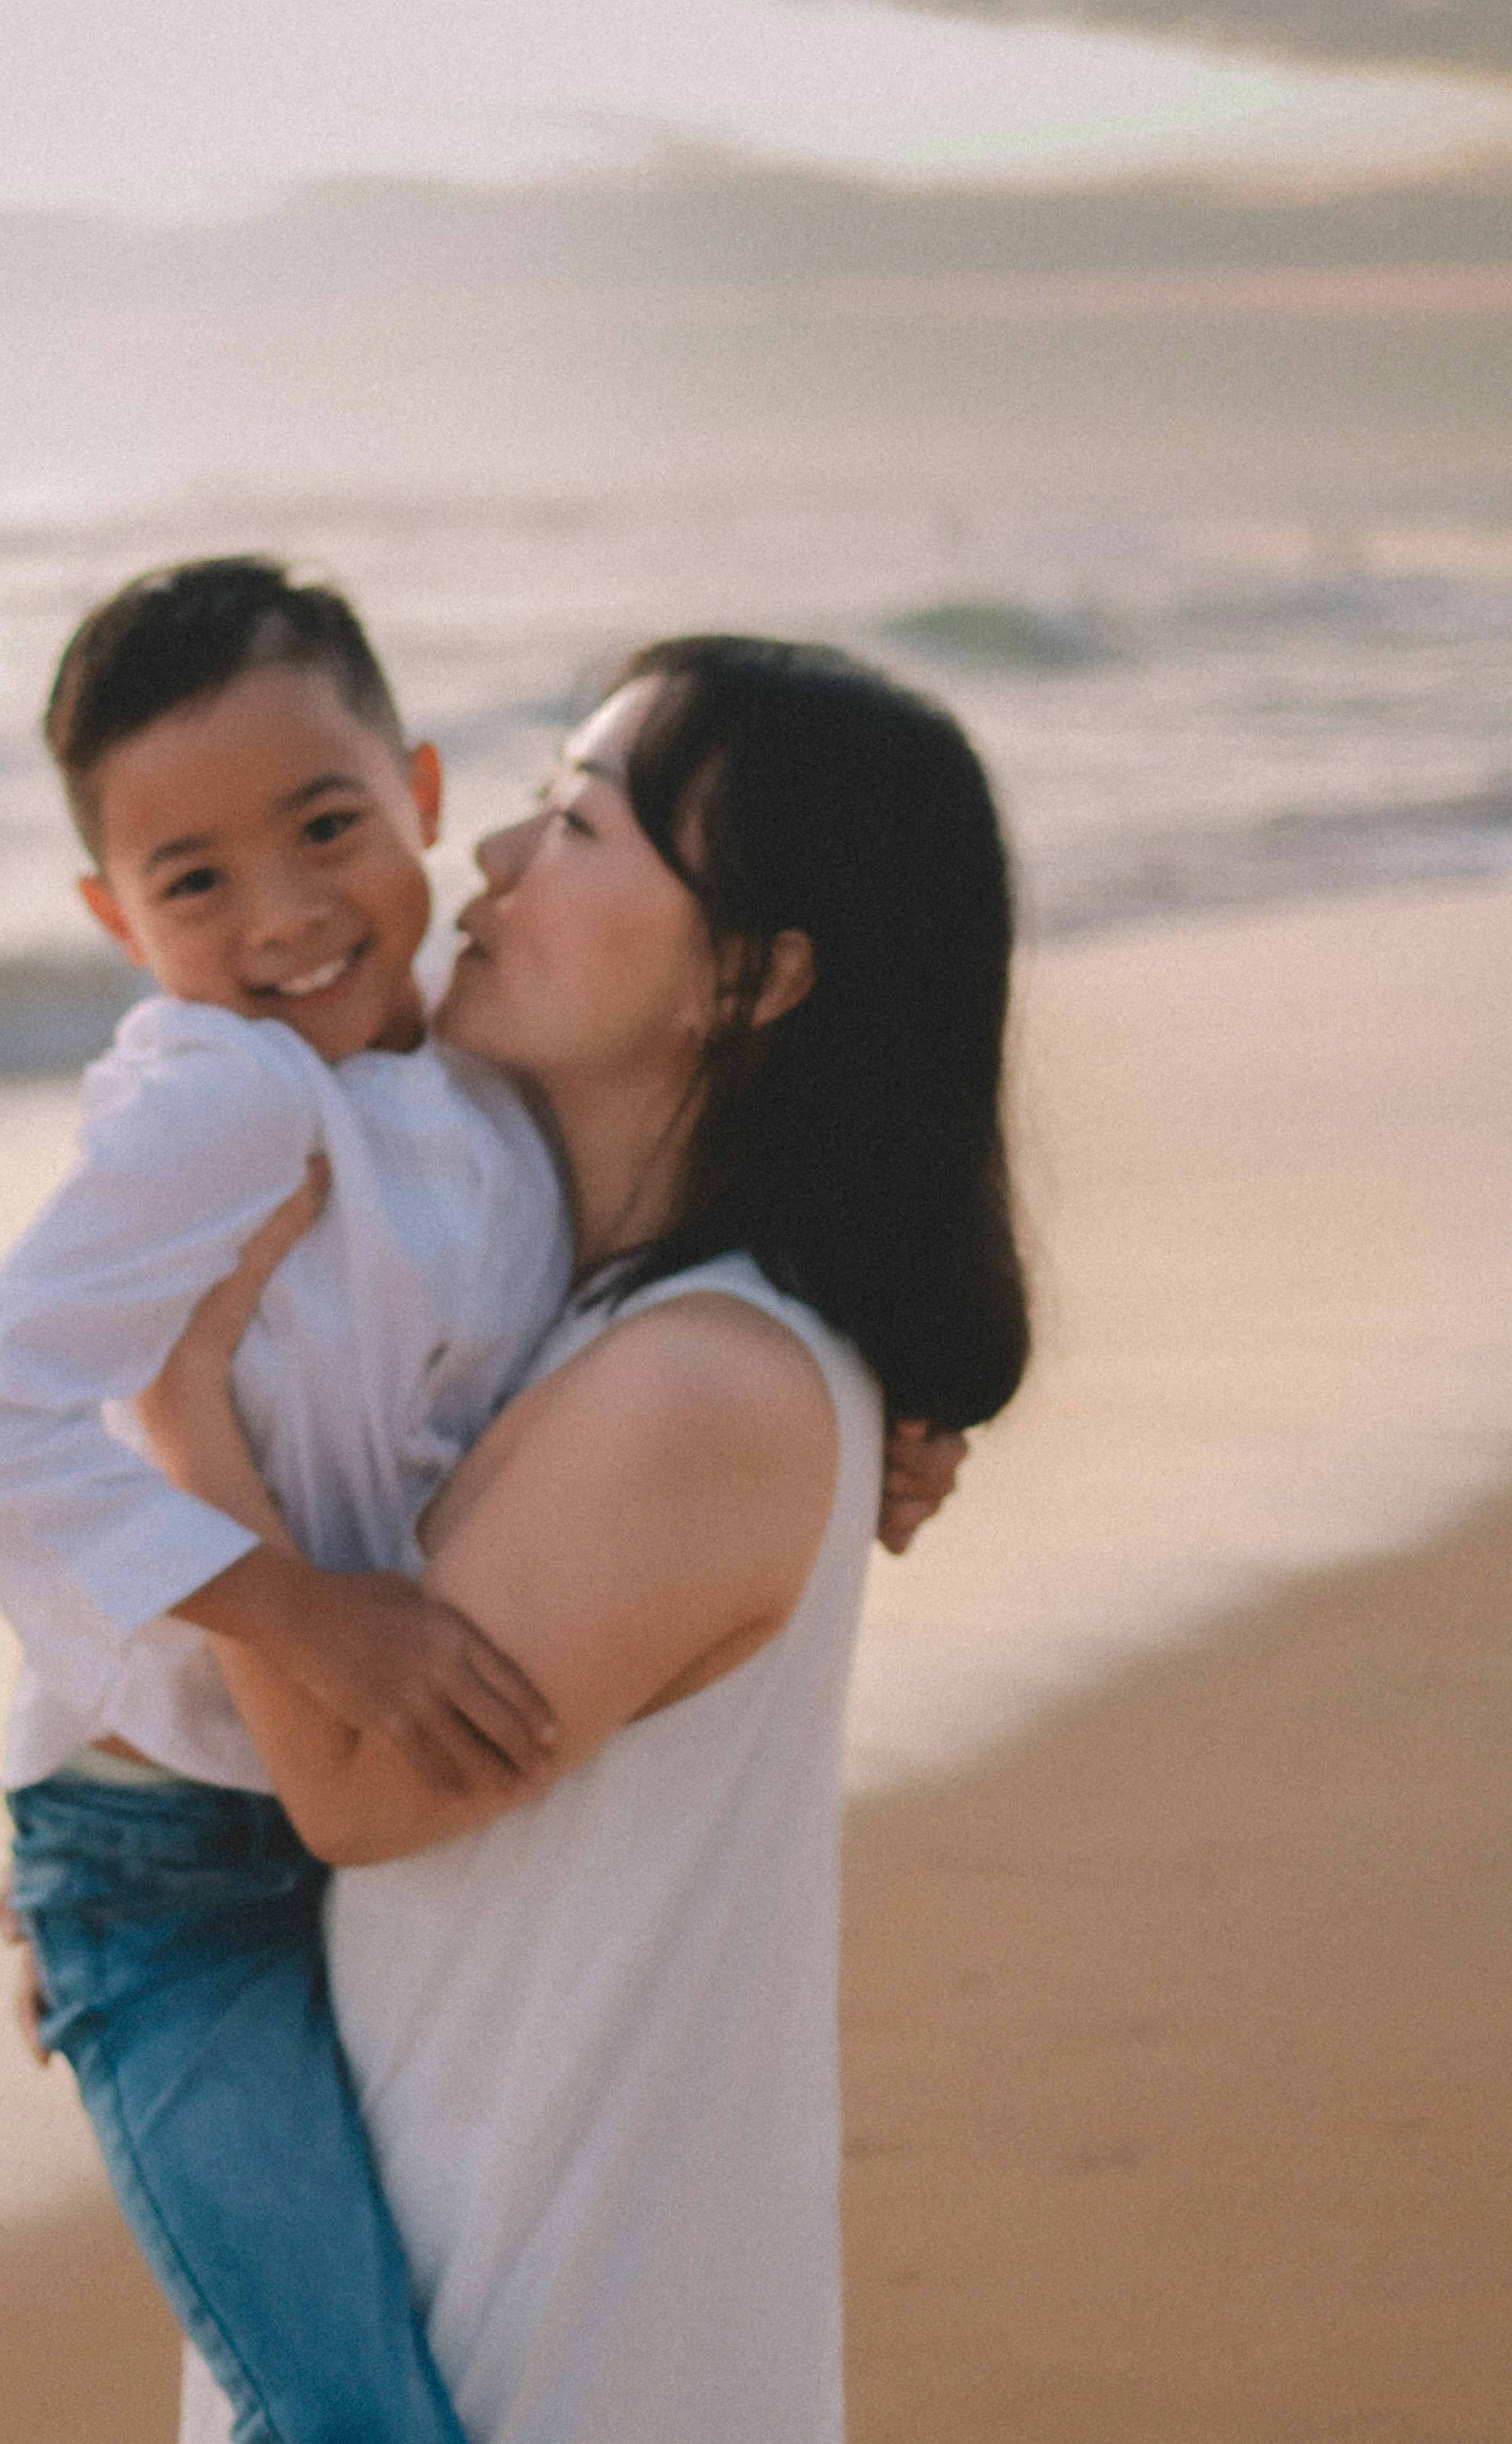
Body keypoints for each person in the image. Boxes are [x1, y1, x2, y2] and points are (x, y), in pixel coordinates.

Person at [138, 636, 1027, 2443]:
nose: (494, 866)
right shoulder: (592, 1334)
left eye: (581, 828)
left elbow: (359, 1793)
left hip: (533, 2351)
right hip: (464, 2303)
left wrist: (175, 1417)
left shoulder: (698, 1385)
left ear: (755, 975)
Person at [0, 558, 568, 2444]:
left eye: (329, 828)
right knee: (352, 2414)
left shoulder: (494, 1087)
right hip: (167, 1877)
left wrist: (887, 1406)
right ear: (117, 918)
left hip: (388, 1823)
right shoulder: (221, 1097)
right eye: (194, 880)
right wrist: (301, 1611)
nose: (281, 917)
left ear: (423, 799)